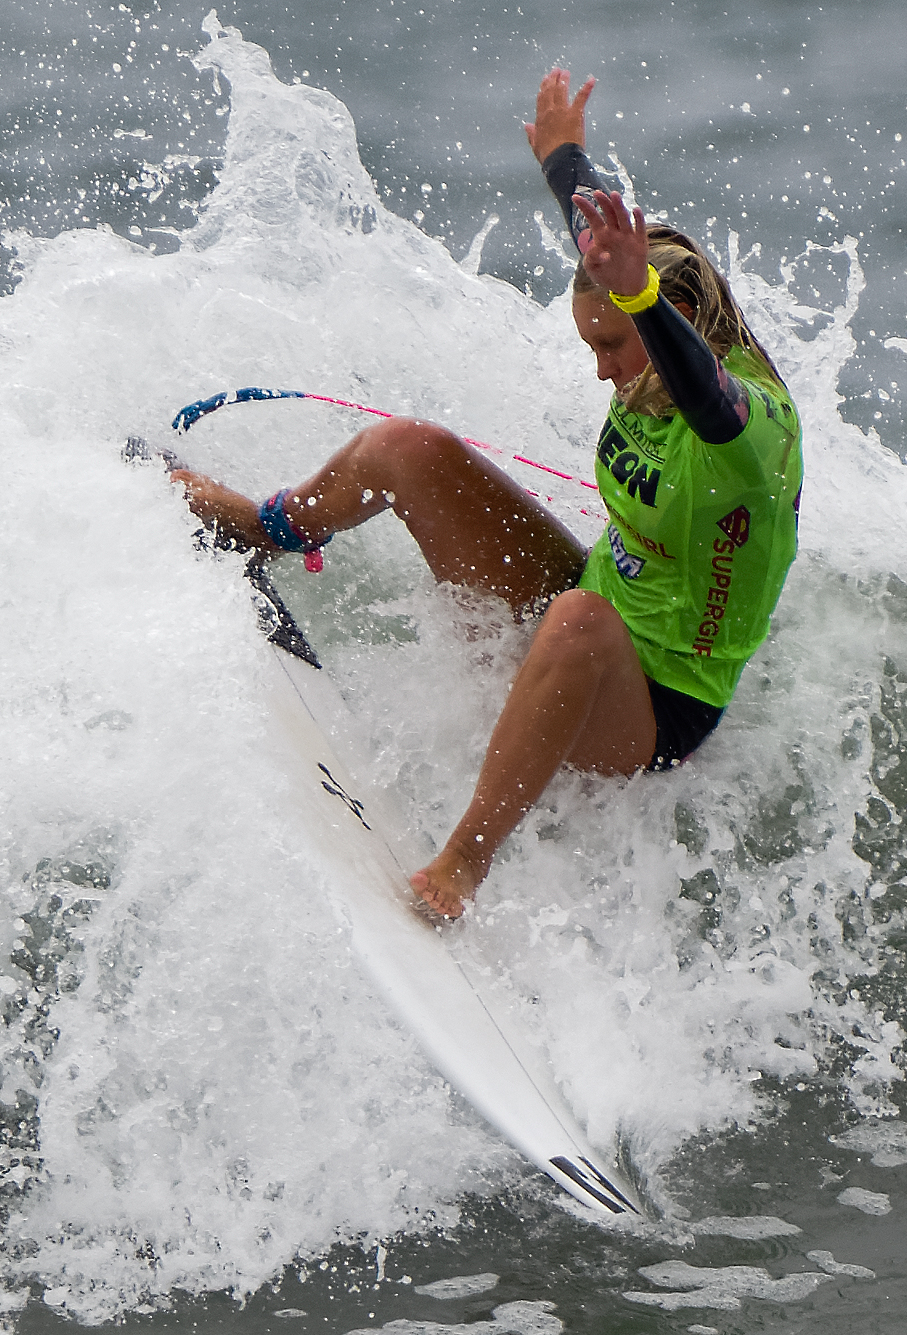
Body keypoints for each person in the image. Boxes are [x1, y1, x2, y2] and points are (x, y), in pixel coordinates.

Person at [172, 67, 803, 919]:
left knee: (577, 622)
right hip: (587, 603)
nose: (601, 369)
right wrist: (563, 160)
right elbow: (612, 245)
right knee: (409, 447)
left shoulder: (751, 428)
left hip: (654, 707)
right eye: (592, 343)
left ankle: (465, 861)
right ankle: (266, 528)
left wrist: (641, 298)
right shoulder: (646, 333)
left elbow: (705, 393)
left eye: (615, 343)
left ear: (671, 313)